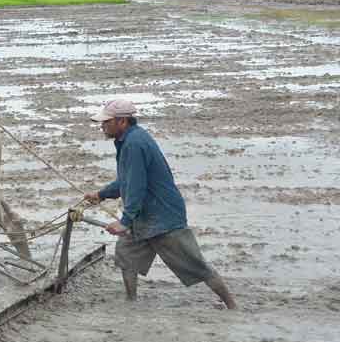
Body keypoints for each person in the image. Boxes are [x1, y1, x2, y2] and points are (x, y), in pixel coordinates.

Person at [83, 99, 237, 309]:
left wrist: (125, 221)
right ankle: (131, 303)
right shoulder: (129, 139)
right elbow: (127, 179)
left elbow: (137, 185)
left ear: (122, 121)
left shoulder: (135, 143)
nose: (102, 126)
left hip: (162, 216)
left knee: (196, 265)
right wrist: (102, 194)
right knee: (126, 255)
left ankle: (232, 306)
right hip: (144, 215)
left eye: (106, 122)